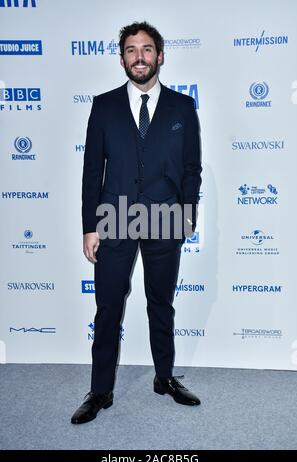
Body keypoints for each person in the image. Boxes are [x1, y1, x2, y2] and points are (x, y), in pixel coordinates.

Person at [71, 21, 202, 424]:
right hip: (114, 217)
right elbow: (93, 170)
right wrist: (89, 226)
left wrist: (187, 212)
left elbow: (191, 167)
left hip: (166, 218)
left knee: (160, 302)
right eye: (131, 50)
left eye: (147, 49)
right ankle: (100, 390)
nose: (139, 57)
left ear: (160, 56)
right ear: (122, 57)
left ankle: (164, 378)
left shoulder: (182, 107)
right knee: (108, 306)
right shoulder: (104, 105)